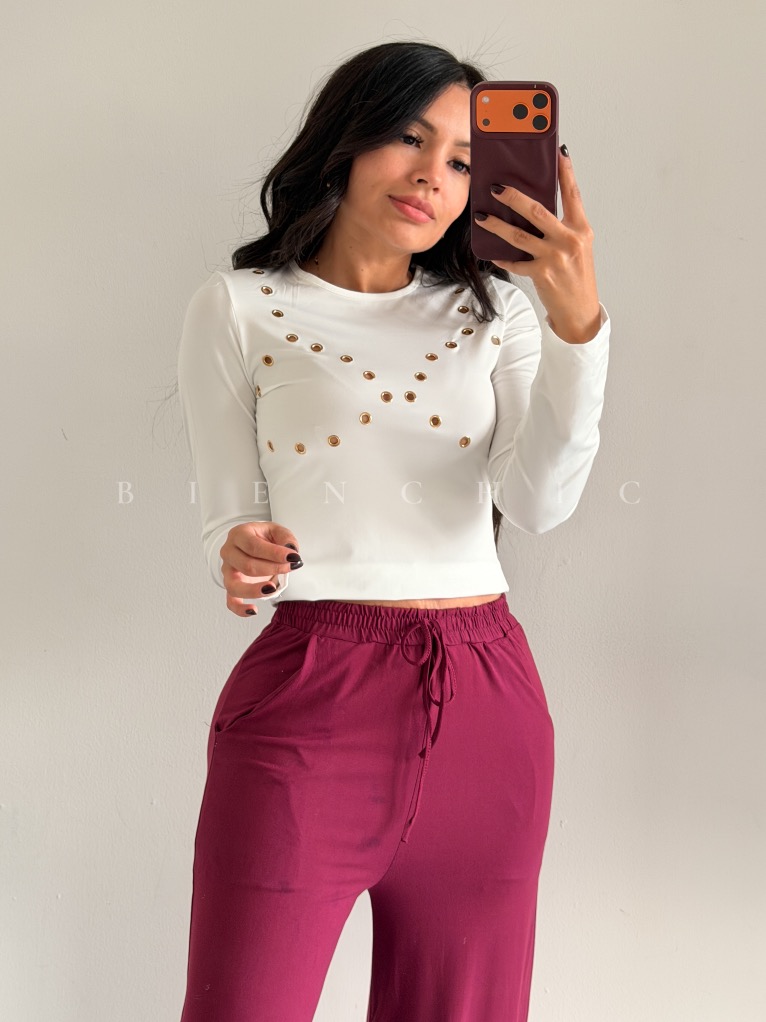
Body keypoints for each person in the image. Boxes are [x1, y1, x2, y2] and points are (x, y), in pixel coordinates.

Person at [176, 40, 610, 1022]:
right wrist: (236, 550)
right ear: (347, 138)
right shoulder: (240, 306)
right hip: (309, 698)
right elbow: (229, 513)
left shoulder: (497, 312)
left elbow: (538, 503)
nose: (431, 176)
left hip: (489, 707)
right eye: (409, 138)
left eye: (463, 160)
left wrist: (578, 331)